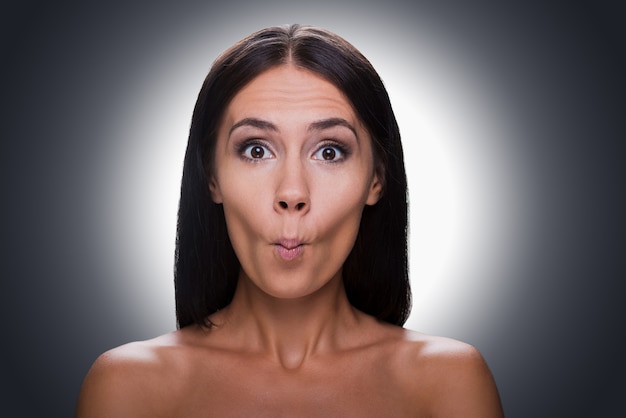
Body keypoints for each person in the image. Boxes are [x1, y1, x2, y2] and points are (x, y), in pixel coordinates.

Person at [76, 24, 504, 417]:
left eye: (330, 151)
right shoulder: (129, 387)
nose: (292, 193)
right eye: (256, 150)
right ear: (211, 177)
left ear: (377, 179)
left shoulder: (447, 382)